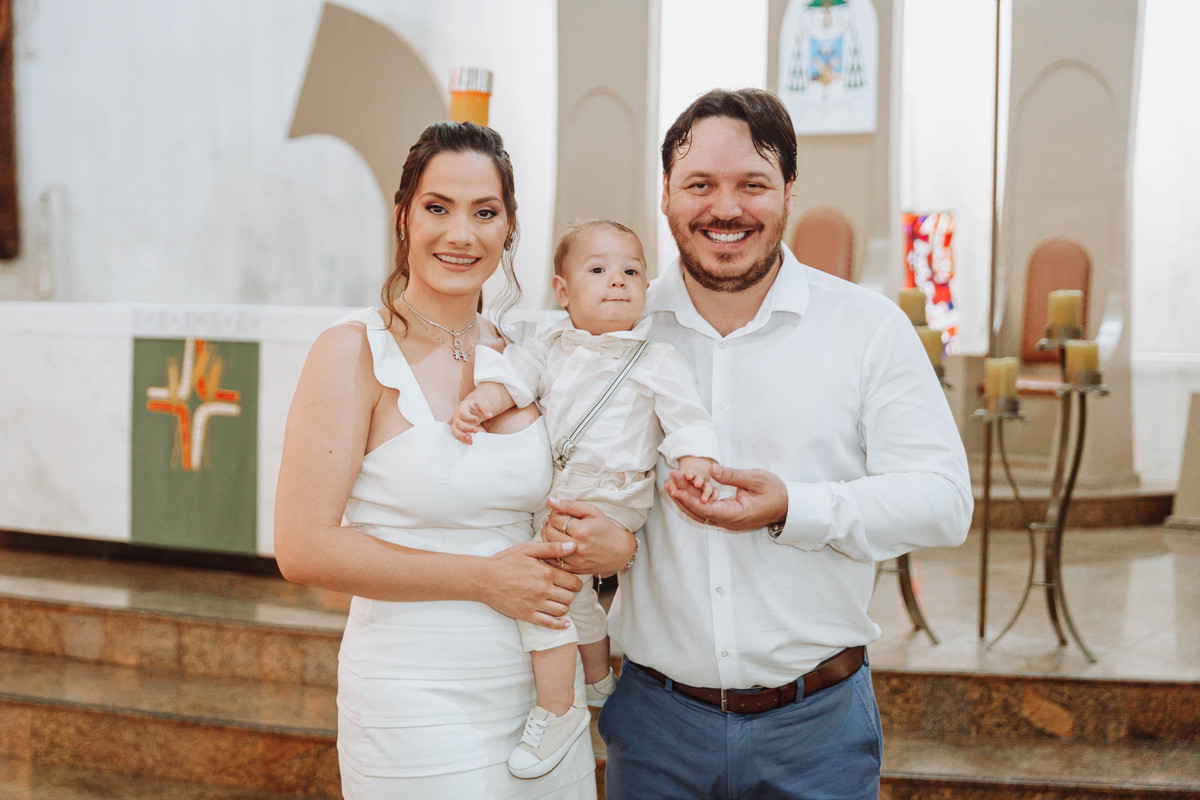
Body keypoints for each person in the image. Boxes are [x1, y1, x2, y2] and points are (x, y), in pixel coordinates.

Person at [542, 89, 974, 799]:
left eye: (752, 184)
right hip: (655, 728)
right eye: (700, 184)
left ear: (789, 192)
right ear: (665, 194)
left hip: (818, 730)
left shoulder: (866, 326)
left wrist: (794, 508)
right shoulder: (609, 328)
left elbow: (943, 502)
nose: (726, 207)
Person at [273, 121, 599, 799]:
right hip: (413, 693)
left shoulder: (525, 354)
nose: (462, 234)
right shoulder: (352, 353)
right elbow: (303, 549)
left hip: (539, 692)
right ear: (403, 217)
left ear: (509, 228)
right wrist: (484, 580)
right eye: (438, 208)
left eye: (485, 213)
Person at [451, 219, 720, 780]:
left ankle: (558, 710)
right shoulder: (548, 346)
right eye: (598, 271)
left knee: (544, 597)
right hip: (554, 493)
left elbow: (686, 417)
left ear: (647, 287)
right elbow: (516, 378)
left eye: (631, 272)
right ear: (564, 291)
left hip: (614, 495)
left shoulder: (657, 357)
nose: (617, 282)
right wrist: (485, 397)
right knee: (575, 600)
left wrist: (695, 461)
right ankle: (597, 680)